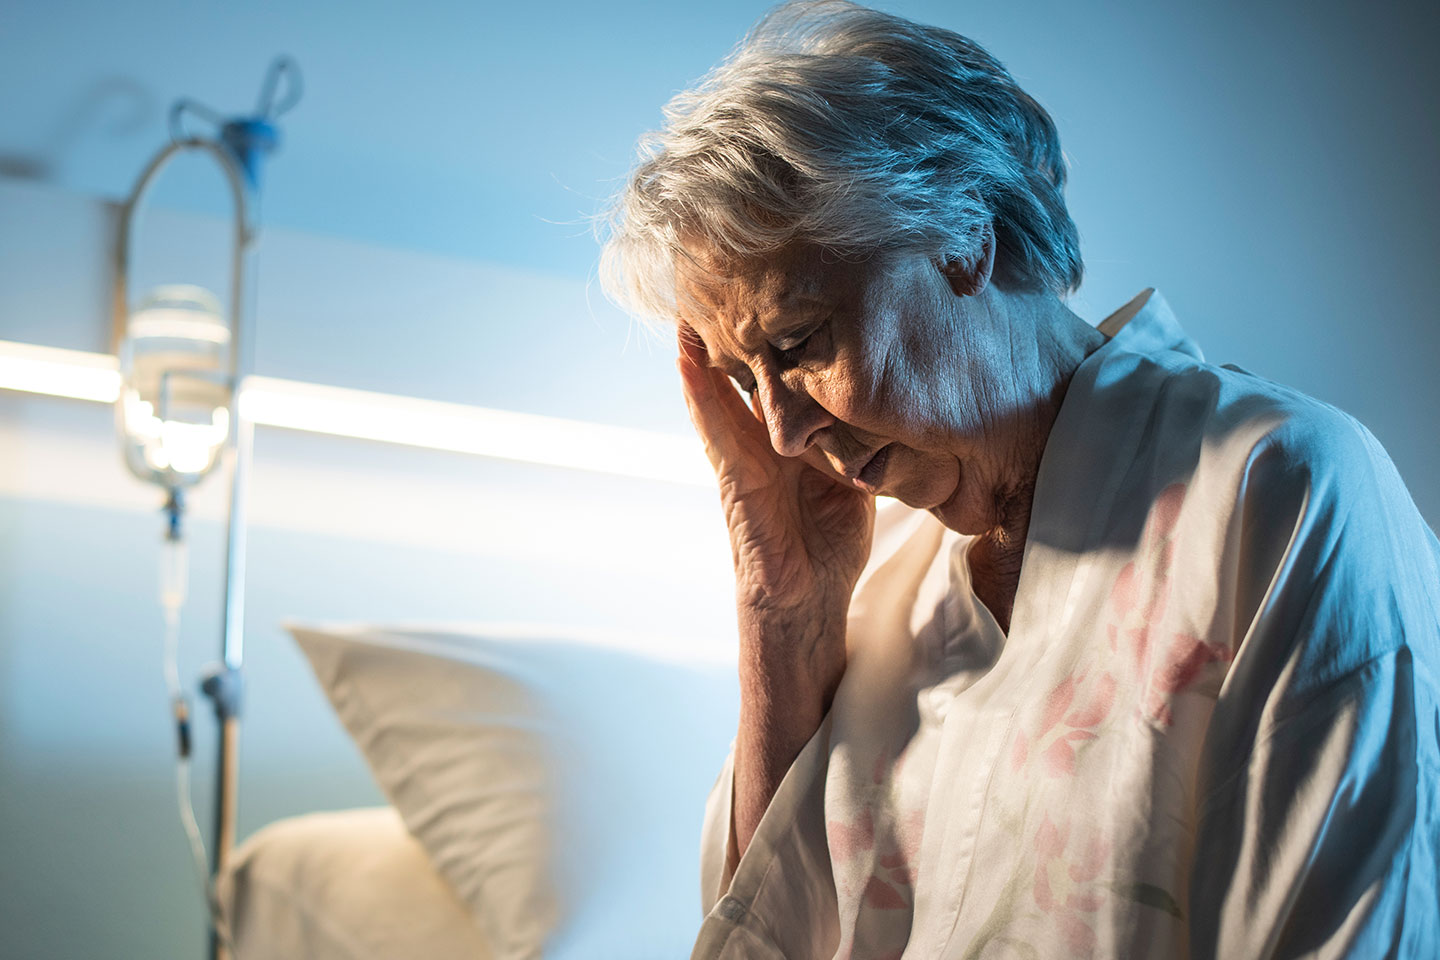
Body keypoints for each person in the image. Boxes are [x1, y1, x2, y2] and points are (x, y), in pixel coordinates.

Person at [600, 2, 1440, 957]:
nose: (783, 434)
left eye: (799, 343)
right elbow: (751, 938)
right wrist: (782, 610)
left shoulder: (1277, 490)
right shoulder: (866, 584)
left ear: (965, 234)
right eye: (745, 380)